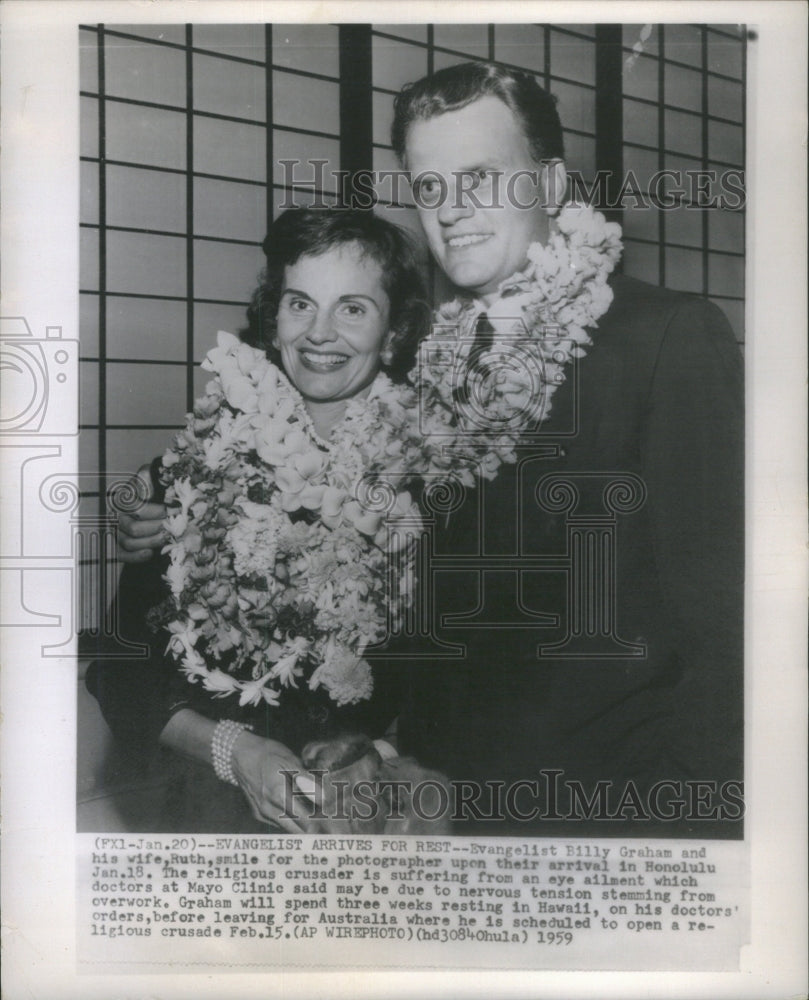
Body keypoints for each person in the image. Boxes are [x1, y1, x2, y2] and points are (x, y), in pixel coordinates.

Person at [111, 61, 744, 836]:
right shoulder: (427, 369)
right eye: (431, 186)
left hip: (606, 814)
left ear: (548, 185)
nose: (452, 210)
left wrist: (695, 846)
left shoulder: (664, 339)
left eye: (481, 177)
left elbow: (726, 637)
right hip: (435, 805)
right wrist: (136, 509)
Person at [87, 207, 432, 832]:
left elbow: (465, 680)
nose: (319, 333)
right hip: (211, 816)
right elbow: (121, 672)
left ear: (394, 334)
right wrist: (236, 751)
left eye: (352, 309)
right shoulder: (193, 472)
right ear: (273, 320)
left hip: (371, 821)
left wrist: (377, 752)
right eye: (300, 304)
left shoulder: (435, 485)